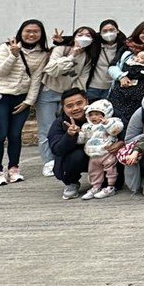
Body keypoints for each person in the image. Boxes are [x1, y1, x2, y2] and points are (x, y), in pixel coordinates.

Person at [0, 19, 51, 186]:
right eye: (28, 31)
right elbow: (0, 72)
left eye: (36, 31)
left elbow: (36, 79)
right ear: (21, 32)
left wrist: (29, 101)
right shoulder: (6, 47)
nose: (31, 34)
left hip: (21, 99)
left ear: (41, 34)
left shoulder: (42, 54)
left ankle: (13, 168)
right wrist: (13, 55)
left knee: (15, 135)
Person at [40, 26, 100, 176]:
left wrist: (76, 98)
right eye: (81, 34)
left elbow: (81, 80)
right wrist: (72, 54)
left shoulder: (87, 57)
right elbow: (52, 70)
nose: (84, 37)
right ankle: (48, 161)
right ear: (74, 36)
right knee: (46, 127)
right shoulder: (61, 49)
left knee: (65, 125)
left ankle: (60, 159)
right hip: (49, 91)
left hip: (68, 96)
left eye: (88, 35)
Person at [46, 88, 91, 199]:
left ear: (87, 101)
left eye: (79, 103)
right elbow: (56, 149)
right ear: (63, 108)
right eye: (70, 106)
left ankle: (108, 181)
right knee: (75, 156)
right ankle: (71, 182)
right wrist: (69, 135)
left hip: (102, 154)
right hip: (79, 157)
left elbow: (123, 129)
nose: (75, 108)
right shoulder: (60, 122)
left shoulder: (103, 112)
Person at [79, 99, 124, 200]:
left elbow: (116, 129)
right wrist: (78, 134)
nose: (93, 117)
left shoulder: (111, 122)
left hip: (107, 152)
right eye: (91, 115)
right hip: (93, 154)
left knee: (111, 170)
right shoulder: (87, 126)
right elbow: (82, 139)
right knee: (94, 171)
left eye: (97, 114)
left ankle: (111, 186)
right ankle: (96, 187)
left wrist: (107, 123)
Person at [88, 20, 125, 102]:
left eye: (112, 30)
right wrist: (61, 41)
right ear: (100, 33)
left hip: (112, 88)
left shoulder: (124, 46)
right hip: (93, 87)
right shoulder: (95, 44)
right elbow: (76, 40)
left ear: (117, 31)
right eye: (105, 31)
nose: (108, 33)